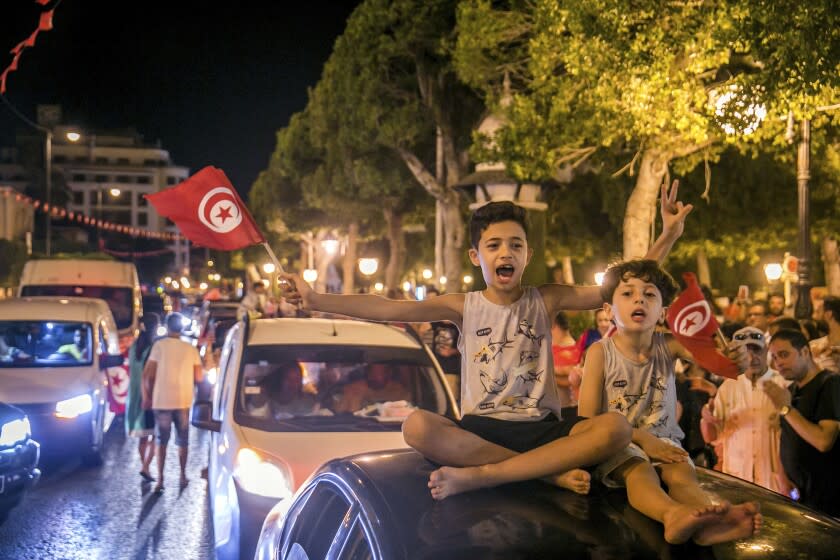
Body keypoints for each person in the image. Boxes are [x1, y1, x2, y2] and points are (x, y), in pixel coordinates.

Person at [280, 180, 693, 500]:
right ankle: (547, 473)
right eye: (493, 245)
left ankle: (488, 476)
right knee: (417, 426)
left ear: (528, 255)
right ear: (477, 256)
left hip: (544, 429)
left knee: (616, 429)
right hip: (481, 432)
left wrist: (669, 235)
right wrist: (316, 299)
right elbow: (389, 307)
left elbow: (627, 285)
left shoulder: (547, 299)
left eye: (515, 245)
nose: (505, 253)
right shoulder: (463, 305)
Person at [578, 259, 760, 546]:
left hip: (666, 442)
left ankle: (709, 524)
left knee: (683, 475)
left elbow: (717, 359)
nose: (639, 298)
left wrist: (737, 357)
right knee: (639, 472)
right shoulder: (600, 353)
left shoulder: (670, 345)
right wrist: (642, 440)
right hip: (618, 444)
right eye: (627, 293)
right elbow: (586, 418)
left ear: (663, 312)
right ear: (608, 311)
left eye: (649, 294)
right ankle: (671, 514)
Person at [699, 326, 792, 495]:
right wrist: (707, 419)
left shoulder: (783, 384)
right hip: (737, 479)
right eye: (745, 352)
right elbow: (712, 438)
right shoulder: (728, 387)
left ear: (766, 351)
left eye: (756, 350)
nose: (751, 357)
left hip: (774, 483)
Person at [763, 328, 840, 517]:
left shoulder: (829, 384)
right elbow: (786, 436)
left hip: (827, 501)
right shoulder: (791, 391)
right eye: (774, 357)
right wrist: (783, 477)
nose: (778, 363)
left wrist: (786, 409)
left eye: (784, 354)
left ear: (805, 352)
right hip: (799, 499)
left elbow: (824, 441)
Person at [142, 312, 203, 493]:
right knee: (183, 440)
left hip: (161, 400)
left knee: (161, 441)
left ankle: (160, 480)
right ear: (182, 328)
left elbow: (148, 375)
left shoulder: (159, 346)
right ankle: (183, 475)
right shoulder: (190, 349)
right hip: (183, 400)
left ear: (167, 327)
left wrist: (147, 396)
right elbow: (199, 377)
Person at [126, 313, 160, 483]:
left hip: (134, 396)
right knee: (156, 434)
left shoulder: (134, 346)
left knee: (143, 436)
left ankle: (143, 465)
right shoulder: (153, 348)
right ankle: (146, 466)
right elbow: (151, 376)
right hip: (149, 395)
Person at [247, 362, 319, 418]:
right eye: (288, 379)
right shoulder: (267, 398)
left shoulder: (308, 403)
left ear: (300, 382)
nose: (292, 383)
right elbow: (254, 407)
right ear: (280, 379)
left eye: (296, 379)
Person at [333, 363, 411, 413]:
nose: (374, 376)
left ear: (389, 373)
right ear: (367, 372)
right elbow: (341, 414)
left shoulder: (399, 393)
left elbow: (408, 413)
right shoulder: (352, 389)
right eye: (371, 372)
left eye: (380, 372)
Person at [551, 311, 581, 409]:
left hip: (568, 408)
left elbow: (573, 379)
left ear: (553, 325)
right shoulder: (554, 347)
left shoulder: (571, 350)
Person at [808, 295, 840, 373]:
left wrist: (833, 350)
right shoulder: (813, 345)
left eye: (818, 312)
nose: (813, 317)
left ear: (829, 314)